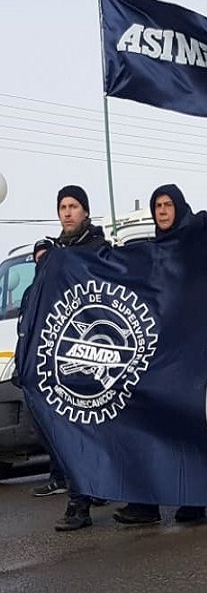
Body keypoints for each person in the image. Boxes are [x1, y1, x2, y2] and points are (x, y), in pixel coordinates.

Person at [113, 185, 207, 526]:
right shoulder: (149, 253)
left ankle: (194, 499)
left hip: (192, 354)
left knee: (188, 429)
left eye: (168, 205)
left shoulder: (197, 243)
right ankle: (145, 503)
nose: (162, 211)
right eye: (157, 205)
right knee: (146, 427)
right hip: (156, 356)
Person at [29, 186, 109, 531]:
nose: (67, 212)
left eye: (73, 206)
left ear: (86, 212)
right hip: (65, 358)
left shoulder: (100, 251)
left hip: (102, 355)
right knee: (72, 432)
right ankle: (79, 505)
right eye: (62, 206)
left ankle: (115, 492)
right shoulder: (55, 255)